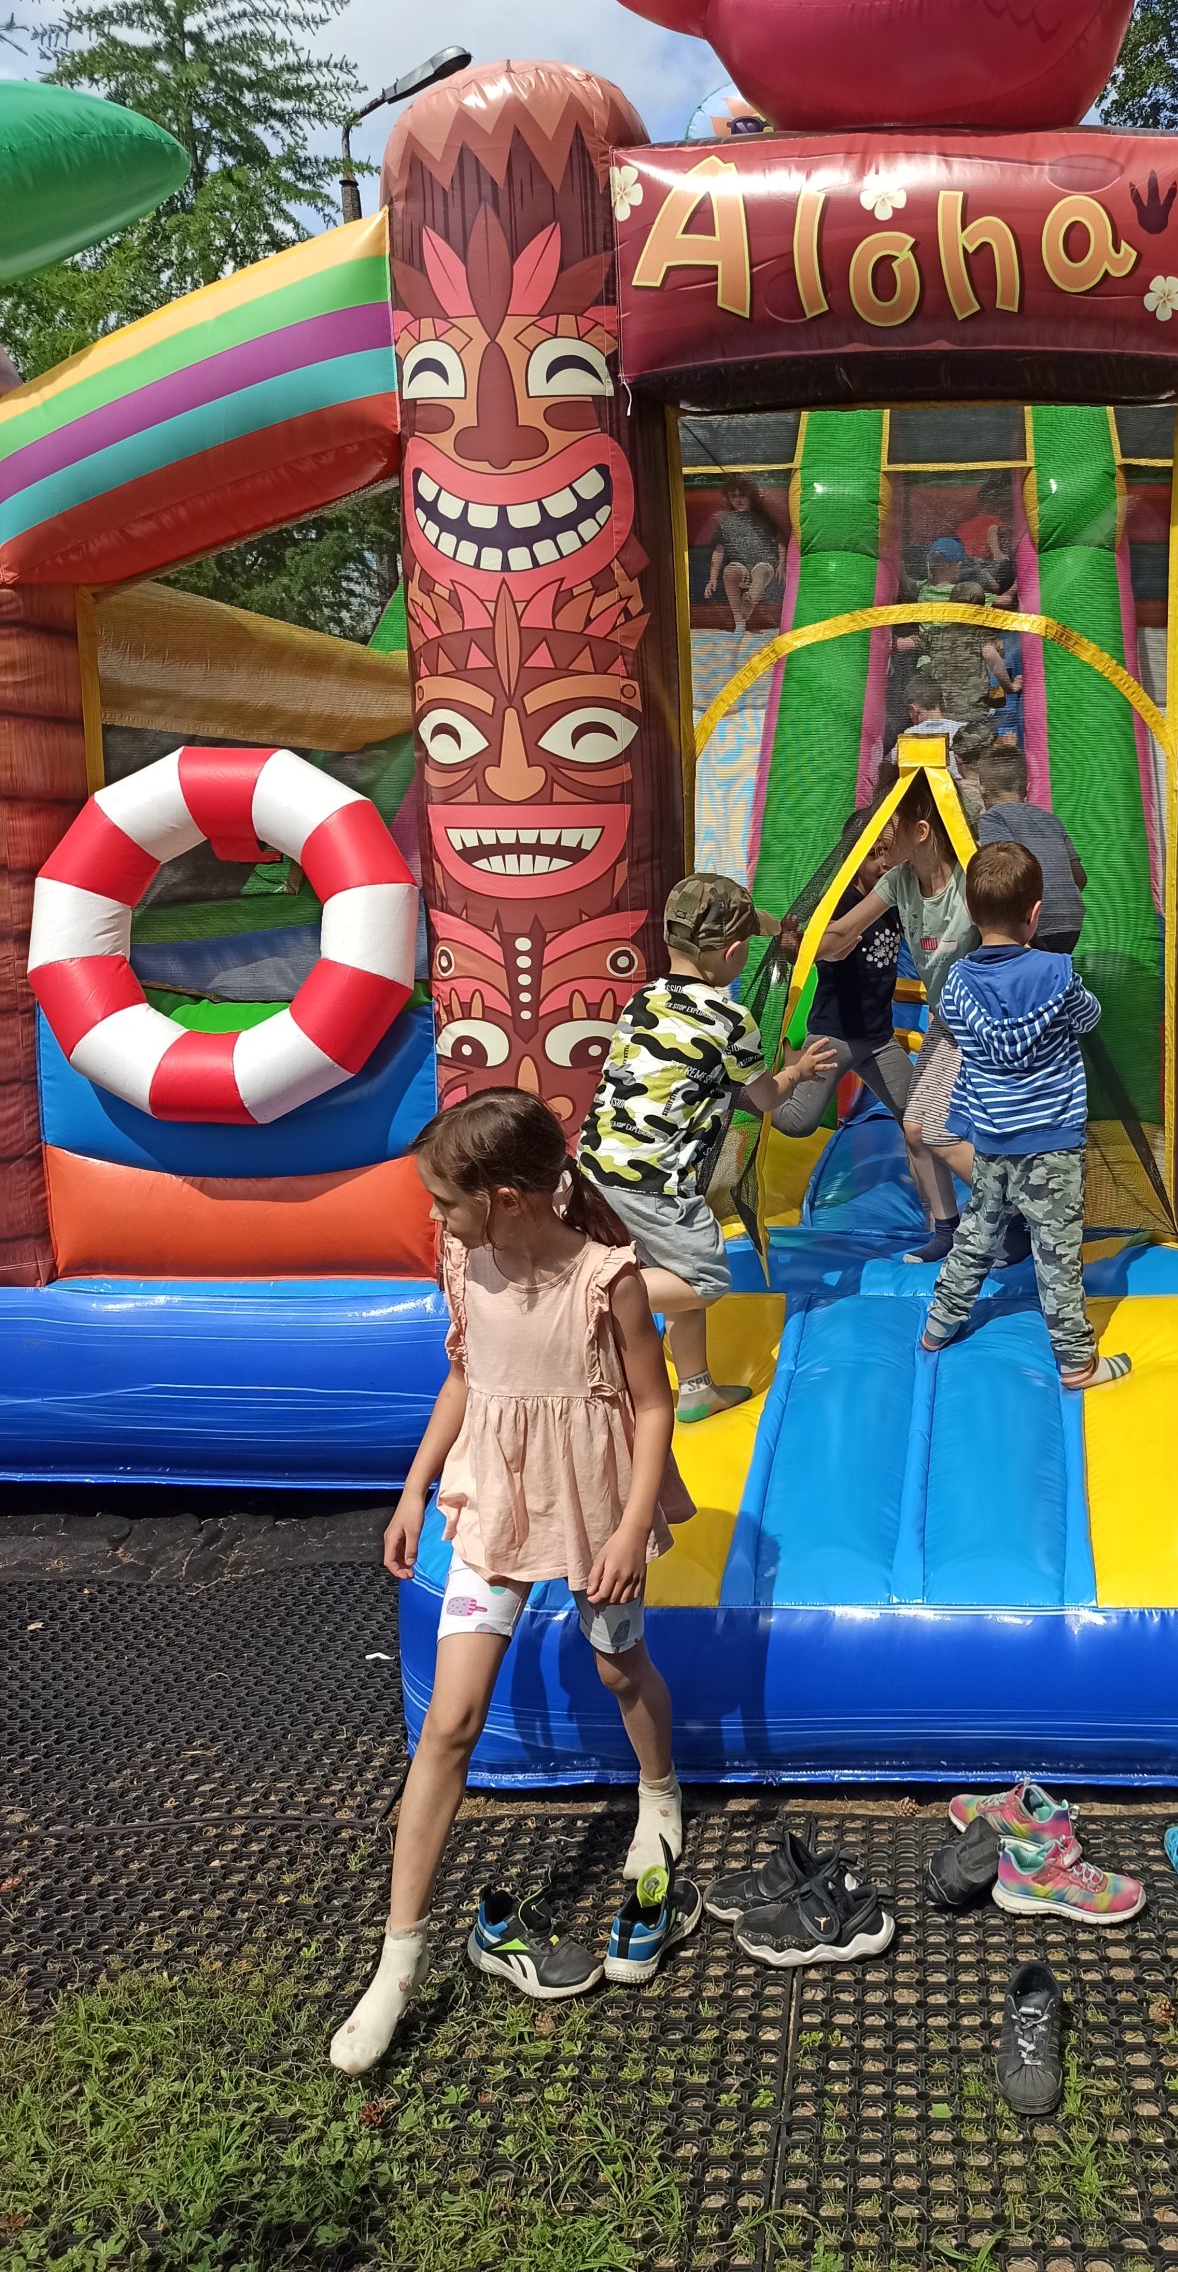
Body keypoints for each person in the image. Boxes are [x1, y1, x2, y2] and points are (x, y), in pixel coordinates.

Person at [331, 1089, 690, 2074]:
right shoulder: (464, 1261)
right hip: (493, 1505)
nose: (434, 1216)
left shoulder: (608, 1280)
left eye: (445, 1201)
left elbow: (652, 1406)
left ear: (506, 1199)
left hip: (592, 1509)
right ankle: (398, 1964)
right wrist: (414, 1487)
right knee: (450, 1721)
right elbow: (464, 1375)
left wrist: (630, 1528)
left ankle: (659, 1791)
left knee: (619, 1669)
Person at [579, 874, 836, 1422]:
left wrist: (774, 928)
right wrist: (797, 1070)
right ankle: (584, 1292)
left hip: (599, 1164)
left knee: (675, 1268)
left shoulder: (643, 999)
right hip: (655, 1181)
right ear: (736, 953)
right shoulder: (730, 1020)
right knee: (704, 1281)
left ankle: (695, 1388)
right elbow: (765, 1098)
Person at [922, 843, 1131, 1391]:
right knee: (1056, 1253)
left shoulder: (957, 983)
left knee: (977, 1234)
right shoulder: (1058, 974)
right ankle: (1076, 1362)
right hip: (1052, 1141)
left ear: (971, 912)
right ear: (1035, 913)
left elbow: (959, 1031)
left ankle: (939, 1325)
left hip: (992, 1137)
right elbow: (1089, 1018)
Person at [816, 769, 978, 1262]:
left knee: (934, 1130)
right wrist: (798, 944)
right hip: (946, 1024)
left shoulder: (969, 883)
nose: (882, 833)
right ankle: (947, 1228)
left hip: (982, 1026)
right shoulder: (900, 881)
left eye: (892, 822)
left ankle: (1017, 1211)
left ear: (921, 831)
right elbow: (842, 931)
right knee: (914, 1127)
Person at [771, 812, 915, 1141]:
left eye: (888, 851)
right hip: (833, 1036)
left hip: (878, 1038)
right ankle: (751, 1098)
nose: (883, 862)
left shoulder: (893, 900)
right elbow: (817, 946)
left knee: (917, 1114)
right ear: (852, 858)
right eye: (873, 854)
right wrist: (797, 948)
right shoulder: (840, 902)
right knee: (798, 1122)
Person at [977, 748, 1087, 955]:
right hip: (1071, 919)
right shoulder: (1051, 820)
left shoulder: (992, 818)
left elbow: (1004, 870)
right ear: (1026, 786)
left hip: (1033, 920)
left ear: (982, 789)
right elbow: (1080, 877)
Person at [910, 536, 1009, 724]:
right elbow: (1004, 600)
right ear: (956, 565)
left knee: (939, 705)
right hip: (959, 663)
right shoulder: (963, 594)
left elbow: (907, 583)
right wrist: (1021, 580)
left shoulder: (924, 589)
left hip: (927, 662)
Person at [704, 477, 785, 635]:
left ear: (751, 496)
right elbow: (719, 550)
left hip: (763, 565)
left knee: (761, 571)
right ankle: (739, 622)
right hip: (740, 568)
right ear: (728, 498)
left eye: (742, 495)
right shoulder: (726, 520)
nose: (738, 500)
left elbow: (780, 540)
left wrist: (782, 564)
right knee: (729, 572)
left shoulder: (763, 516)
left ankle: (750, 601)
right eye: (734, 496)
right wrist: (712, 578)